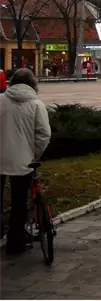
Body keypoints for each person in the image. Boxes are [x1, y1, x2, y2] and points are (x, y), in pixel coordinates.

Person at [0, 68, 51, 255]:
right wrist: (34, 155)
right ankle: (15, 242)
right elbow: (44, 135)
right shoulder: (36, 105)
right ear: (33, 84)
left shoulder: (0, 100)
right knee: (19, 200)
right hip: (23, 161)